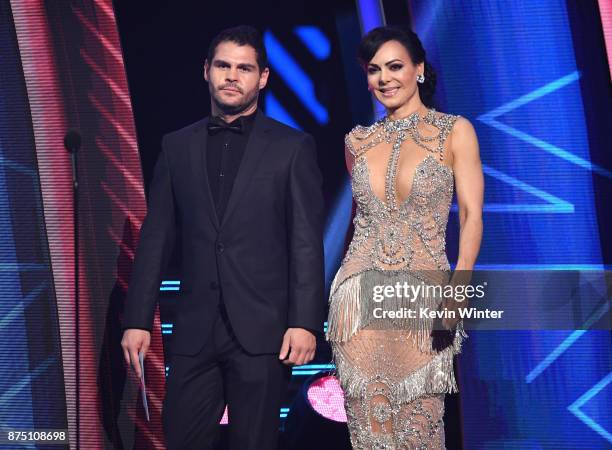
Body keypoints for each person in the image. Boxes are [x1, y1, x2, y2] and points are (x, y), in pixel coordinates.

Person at [121, 25, 325, 450]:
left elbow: (306, 242)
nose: (233, 76)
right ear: (207, 71)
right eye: (223, 66)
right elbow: (156, 237)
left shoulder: (292, 147)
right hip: (196, 331)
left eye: (244, 68)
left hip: (264, 333)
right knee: (181, 438)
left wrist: (305, 323)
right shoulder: (177, 146)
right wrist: (138, 319)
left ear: (262, 77)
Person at [326, 26, 483, 449]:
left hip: (421, 299)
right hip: (358, 301)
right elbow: (361, 224)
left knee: (419, 427)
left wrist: (460, 288)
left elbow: (470, 216)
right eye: (373, 70)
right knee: (371, 434)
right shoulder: (357, 141)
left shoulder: (455, 131)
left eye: (395, 66)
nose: (384, 78)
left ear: (419, 70)